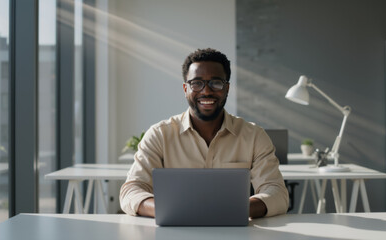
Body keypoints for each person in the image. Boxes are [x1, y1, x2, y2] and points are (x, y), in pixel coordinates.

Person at [120, 48, 289, 218]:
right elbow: (131, 191)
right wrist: (170, 209)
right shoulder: (159, 135)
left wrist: (235, 209)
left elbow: (277, 193)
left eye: (216, 83)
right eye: (197, 83)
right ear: (185, 88)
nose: (206, 91)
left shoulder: (254, 136)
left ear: (227, 88)